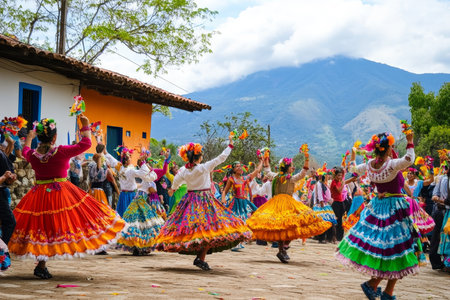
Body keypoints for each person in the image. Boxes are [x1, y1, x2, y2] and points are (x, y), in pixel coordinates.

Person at [7, 116, 126, 279]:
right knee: (68, 223)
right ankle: (42, 265)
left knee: (42, 228)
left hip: (39, 194)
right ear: (54, 137)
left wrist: (28, 137)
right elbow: (86, 144)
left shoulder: (34, 156)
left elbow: (26, 151)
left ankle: (41, 265)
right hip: (61, 193)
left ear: (39, 137)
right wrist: (85, 125)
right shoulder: (61, 151)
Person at [336, 132, 417, 300]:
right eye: (391, 147)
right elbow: (409, 159)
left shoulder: (370, 165)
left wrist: (353, 155)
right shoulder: (392, 165)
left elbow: (352, 169)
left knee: (389, 250)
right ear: (387, 149)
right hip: (394, 210)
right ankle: (378, 287)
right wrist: (410, 142)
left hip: (377, 209)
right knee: (397, 250)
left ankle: (385, 291)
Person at [154, 137, 252, 271]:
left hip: (190, 200)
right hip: (204, 200)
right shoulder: (203, 168)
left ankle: (200, 257)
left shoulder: (184, 171)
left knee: (194, 228)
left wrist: (174, 189)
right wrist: (230, 145)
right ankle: (200, 258)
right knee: (208, 228)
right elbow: (220, 158)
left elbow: (176, 182)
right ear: (199, 156)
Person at [247, 153, 331, 263]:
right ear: (287, 167)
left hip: (287, 203)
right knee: (282, 226)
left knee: (292, 225)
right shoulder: (280, 177)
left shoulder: (288, 178)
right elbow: (269, 171)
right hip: (278, 203)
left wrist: (306, 159)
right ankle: (282, 249)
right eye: (291, 165)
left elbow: (301, 173)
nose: (293, 167)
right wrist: (265, 159)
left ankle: (284, 247)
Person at [117, 158, 163, 255]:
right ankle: (141, 246)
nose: (150, 166)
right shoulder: (148, 179)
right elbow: (152, 183)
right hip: (141, 200)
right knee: (144, 223)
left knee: (136, 222)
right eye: (148, 165)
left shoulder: (145, 178)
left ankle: (137, 247)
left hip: (137, 199)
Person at [0, 135, 17, 271]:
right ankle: (2, 251)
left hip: (3, 191)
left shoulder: (3, 155)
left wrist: (8, 179)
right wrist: (4, 178)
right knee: (9, 221)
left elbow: (11, 143)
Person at [330, 167, 355, 241]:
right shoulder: (334, 182)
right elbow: (339, 191)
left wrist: (354, 177)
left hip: (341, 203)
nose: (340, 177)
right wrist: (343, 183)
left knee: (341, 220)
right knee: (336, 220)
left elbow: (346, 181)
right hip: (336, 203)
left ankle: (339, 237)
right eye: (338, 175)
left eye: (341, 175)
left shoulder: (340, 182)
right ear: (335, 176)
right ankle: (334, 236)